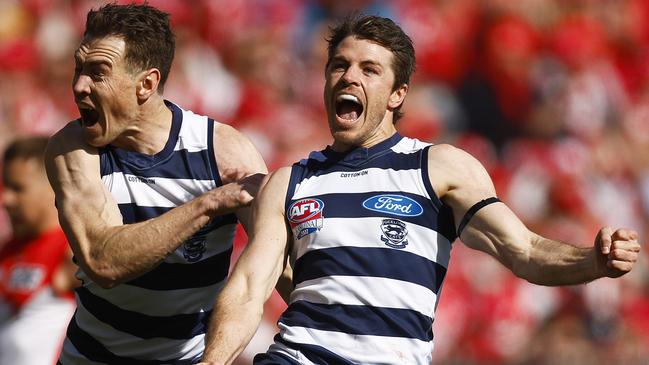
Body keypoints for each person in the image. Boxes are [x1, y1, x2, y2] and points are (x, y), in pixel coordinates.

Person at [198, 14, 642, 365]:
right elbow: (250, 287)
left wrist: (593, 262)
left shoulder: (438, 166)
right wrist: (213, 361)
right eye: (340, 65)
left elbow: (523, 250)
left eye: (369, 70)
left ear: (397, 94)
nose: (350, 77)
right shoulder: (290, 181)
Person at [44, 3, 270, 364]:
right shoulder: (73, 149)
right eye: (78, 69)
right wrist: (206, 205)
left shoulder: (225, 153)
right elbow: (103, 261)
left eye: (97, 73)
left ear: (146, 84)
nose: (79, 86)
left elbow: (274, 269)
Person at [0, 136, 79, 365]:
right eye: (5, 187)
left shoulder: (74, 251)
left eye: (18, 189)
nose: (6, 200)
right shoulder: (8, 249)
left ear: (52, 187)